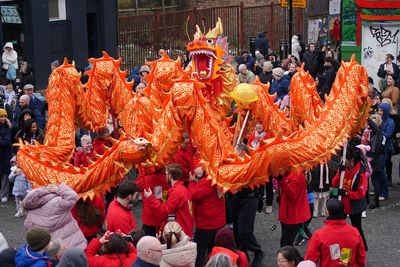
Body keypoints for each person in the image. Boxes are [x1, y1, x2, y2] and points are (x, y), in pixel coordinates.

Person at [23, 184, 87, 249]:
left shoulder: (29, 212)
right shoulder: (57, 201)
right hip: (74, 243)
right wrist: (58, 189)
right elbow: (72, 197)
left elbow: (30, 229)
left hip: (53, 248)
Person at [305, 199, 366, 267]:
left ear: (327, 213)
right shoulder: (355, 232)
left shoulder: (319, 235)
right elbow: (361, 257)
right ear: (343, 211)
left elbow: (310, 261)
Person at [331, 144, 368, 251]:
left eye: (344, 158)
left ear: (351, 159)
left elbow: (361, 194)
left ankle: (362, 248)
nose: (342, 160)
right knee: (338, 227)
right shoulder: (343, 167)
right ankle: (339, 248)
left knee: (357, 228)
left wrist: (346, 193)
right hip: (342, 204)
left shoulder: (361, 173)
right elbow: (334, 183)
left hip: (354, 206)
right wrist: (339, 172)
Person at [232, 144, 264, 267]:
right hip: (237, 199)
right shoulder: (234, 164)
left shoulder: (251, 165)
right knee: (237, 233)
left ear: (241, 153)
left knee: (244, 230)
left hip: (249, 199)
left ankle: (257, 251)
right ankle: (242, 256)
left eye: (235, 152)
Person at [188, 164, 225, 267]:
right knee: (213, 251)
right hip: (219, 222)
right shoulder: (217, 178)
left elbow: (191, 195)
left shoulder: (206, 182)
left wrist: (191, 182)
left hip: (206, 225)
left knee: (199, 252)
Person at [145, 164, 195, 238]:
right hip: (183, 229)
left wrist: (150, 198)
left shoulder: (176, 192)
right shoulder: (182, 189)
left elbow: (165, 212)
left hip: (179, 232)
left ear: (170, 176)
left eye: (166, 174)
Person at [277, 171, 311, 247]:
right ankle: (295, 258)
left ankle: (297, 259)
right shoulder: (290, 172)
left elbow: (292, 195)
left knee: (285, 244)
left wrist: (281, 181)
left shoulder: (296, 175)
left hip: (293, 215)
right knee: (287, 244)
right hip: (288, 214)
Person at [135, 167, 171, 236]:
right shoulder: (168, 179)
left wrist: (143, 170)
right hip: (164, 217)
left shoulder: (145, 180)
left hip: (150, 218)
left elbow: (137, 185)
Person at [0, 108, 12, 203]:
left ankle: (4, 194)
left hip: (5, 155)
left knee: (5, 175)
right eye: (1, 116)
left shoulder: (8, 127)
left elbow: (7, 142)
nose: (3, 118)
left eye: (4, 116)